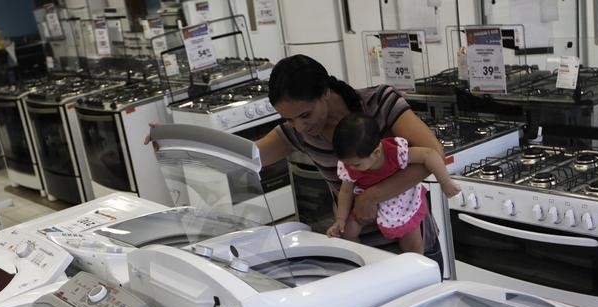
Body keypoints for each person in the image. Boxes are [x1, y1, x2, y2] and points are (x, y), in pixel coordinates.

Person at [147, 54, 455, 268]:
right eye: (289, 119)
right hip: (360, 253)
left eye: (305, 115)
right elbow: (245, 156)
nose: (300, 127)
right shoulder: (298, 132)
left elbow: (432, 154)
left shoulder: (379, 104)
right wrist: (177, 137)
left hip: (414, 241)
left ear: (325, 92)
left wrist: (373, 196)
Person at [328, 113, 460, 254]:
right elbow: (346, 192)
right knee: (347, 231)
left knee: (412, 244)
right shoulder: (350, 163)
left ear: (376, 153)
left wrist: (445, 182)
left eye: (356, 164)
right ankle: (365, 259)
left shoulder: (395, 152)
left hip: (402, 199)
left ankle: (416, 270)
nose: (351, 168)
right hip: (367, 200)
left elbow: (430, 155)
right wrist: (340, 219)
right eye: (348, 164)